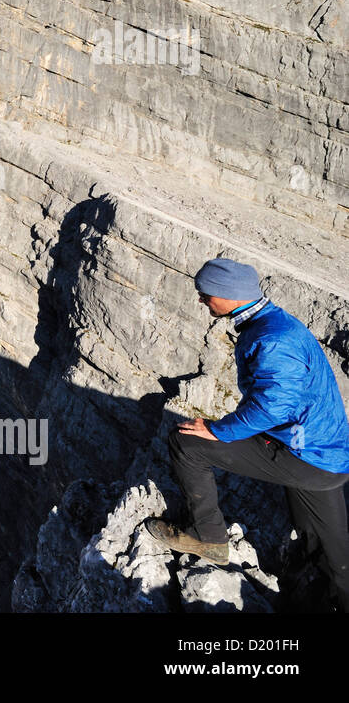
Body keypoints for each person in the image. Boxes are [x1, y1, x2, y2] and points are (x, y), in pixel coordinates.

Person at [145, 257, 349, 610]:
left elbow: (274, 406)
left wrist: (219, 430)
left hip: (306, 454)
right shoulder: (275, 323)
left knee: (187, 442)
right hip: (326, 454)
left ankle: (208, 537)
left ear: (230, 295)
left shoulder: (272, 339)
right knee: (330, 549)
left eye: (205, 293)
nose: (200, 299)